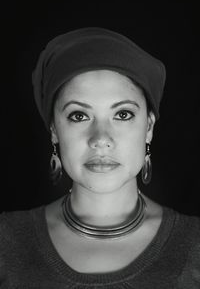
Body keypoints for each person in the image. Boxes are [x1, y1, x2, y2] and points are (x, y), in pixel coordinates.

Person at [0, 27, 200, 288]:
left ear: (148, 127)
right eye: (79, 116)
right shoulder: (7, 241)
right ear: (54, 131)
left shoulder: (195, 244)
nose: (101, 138)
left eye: (123, 114)